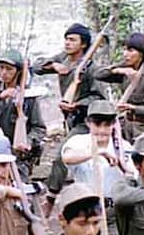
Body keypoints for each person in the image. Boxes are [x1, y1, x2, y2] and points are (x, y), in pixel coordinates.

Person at [32, 22, 106, 204]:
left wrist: (77, 104)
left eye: (72, 40)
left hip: (86, 121)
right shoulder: (64, 57)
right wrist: (54, 66)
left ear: (83, 44)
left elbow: (99, 98)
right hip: (70, 120)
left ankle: (50, 198)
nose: (67, 43)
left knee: (61, 157)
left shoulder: (91, 68)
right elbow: (37, 66)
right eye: (66, 39)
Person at [60, 100, 133, 235]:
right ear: (88, 123)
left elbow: (132, 175)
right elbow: (67, 158)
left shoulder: (124, 147)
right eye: (97, 124)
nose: (102, 130)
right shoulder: (77, 142)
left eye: (107, 125)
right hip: (85, 212)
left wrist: (122, 165)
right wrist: (97, 152)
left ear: (114, 125)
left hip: (113, 211)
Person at [0, 49, 47, 180]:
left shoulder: (28, 97)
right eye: (1, 68)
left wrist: (27, 142)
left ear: (18, 72)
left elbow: (39, 128)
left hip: (18, 156)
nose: (4, 73)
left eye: (9, 69)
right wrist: (0, 96)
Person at [94, 33, 144, 141]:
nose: (125, 54)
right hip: (126, 126)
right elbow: (98, 75)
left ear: (141, 53)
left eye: (131, 50)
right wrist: (118, 69)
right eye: (125, 50)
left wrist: (133, 108)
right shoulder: (125, 71)